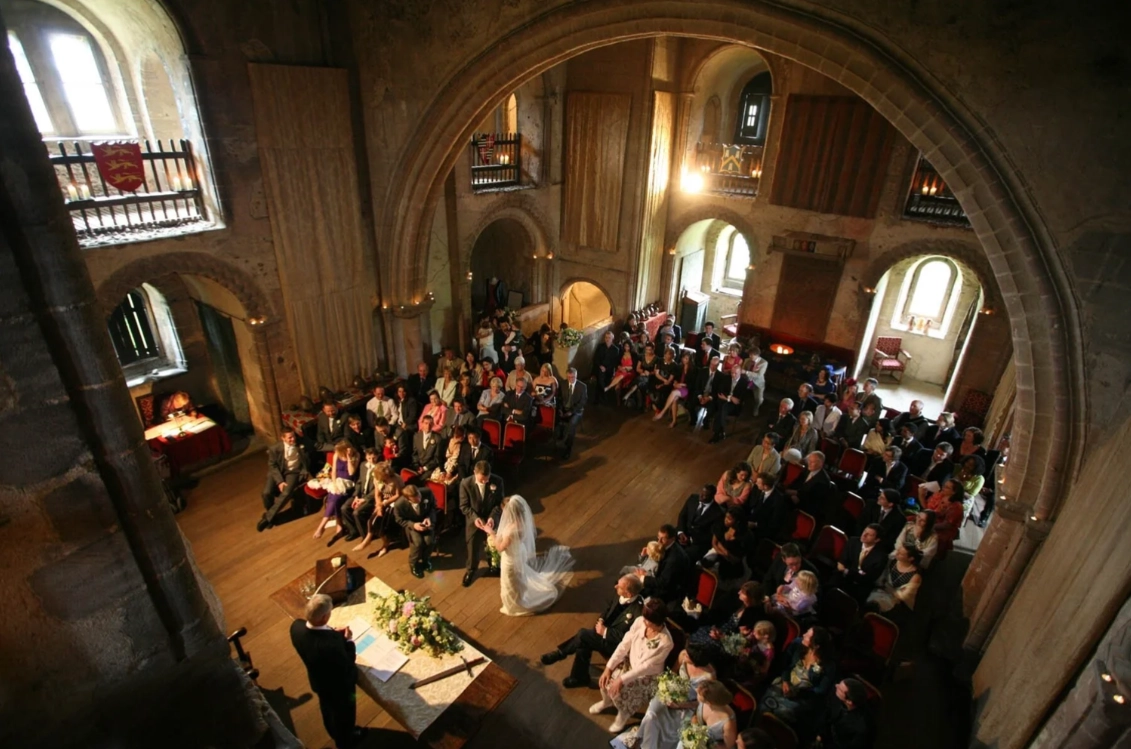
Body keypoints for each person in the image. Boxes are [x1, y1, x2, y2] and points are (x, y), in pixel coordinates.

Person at [541, 574, 645, 688]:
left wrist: (605, 632)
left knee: (583, 635)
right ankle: (579, 678)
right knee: (584, 641)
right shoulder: (618, 594)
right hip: (601, 632)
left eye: (619, 586)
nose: (615, 587)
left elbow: (628, 639)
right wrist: (601, 619)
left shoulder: (638, 612)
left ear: (628, 594)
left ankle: (561, 654)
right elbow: (608, 609)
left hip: (615, 645)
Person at [591, 599, 675, 734]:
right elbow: (624, 645)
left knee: (624, 696)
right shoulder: (639, 622)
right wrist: (609, 667)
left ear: (657, 622)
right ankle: (606, 702)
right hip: (630, 662)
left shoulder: (666, 642)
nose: (644, 621)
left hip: (647, 676)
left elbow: (646, 666)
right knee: (605, 682)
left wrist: (621, 679)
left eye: (648, 620)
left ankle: (622, 717)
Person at [483, 495, 574, 616]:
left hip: (511, 560)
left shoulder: (511, 530)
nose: (504, 513)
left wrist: (491, 533)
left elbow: (500, 547)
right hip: (518, 553)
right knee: (518, 579)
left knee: (511, 582)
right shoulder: (521, 522)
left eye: (505, 510)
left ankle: (517, 605)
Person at [289, 594, 360, 749]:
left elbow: (317, 641)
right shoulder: (331, 646)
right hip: (340, 689)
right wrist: (348, 640)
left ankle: (334, 732)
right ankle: (346, 741)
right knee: (345, 715)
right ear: (324, 617)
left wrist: (333, 634)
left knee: (327, 709)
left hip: (319, 682)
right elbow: (348, 661)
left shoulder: (296, 627)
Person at [636, 644, 717, 749]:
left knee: (674, 730)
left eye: (689, 655)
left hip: (690, 706)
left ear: (696, 659)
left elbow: (704, 703)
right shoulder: (683, 654)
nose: (685, 655)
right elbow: (672, 673)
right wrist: (668, 690)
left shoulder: (710, 675)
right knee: (652, 714)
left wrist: (681, 705)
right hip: (671, 695)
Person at [759, 627, 836, 728]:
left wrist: (798, 692)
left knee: (784, 712)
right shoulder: (797, 644)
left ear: (816, 646)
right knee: (765, 701)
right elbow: (784, 664)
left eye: (807, 636)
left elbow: (821, 690)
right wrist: (785, 681)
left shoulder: (828, 665)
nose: (803, 635)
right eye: (806, 632)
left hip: (805, 696)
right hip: (786, 682)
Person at [459, 461, 505, 587]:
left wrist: (492, 517)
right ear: (475, 472)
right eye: (481, 480)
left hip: (491, 519)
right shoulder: (465, 483)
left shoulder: (498, 481)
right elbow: (464, 506)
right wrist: (475, 518)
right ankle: (471, 570)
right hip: (474, 521)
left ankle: (494, 565)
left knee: (492, 544)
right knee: (472, 546)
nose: (485, 482)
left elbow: (499, 504)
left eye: (487, 479)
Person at [258, 427, 312, 531]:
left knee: (286, 493)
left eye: (294, 436)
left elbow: (317, 446)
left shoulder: (301, 443)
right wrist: (280, 481)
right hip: (277, 472)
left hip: (293, 472)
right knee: (266, 493)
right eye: (290, 438)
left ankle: (268, 518)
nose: (293, 439)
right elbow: (272, 465)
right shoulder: (274, 448)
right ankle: (272, 515)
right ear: (283, 438)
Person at [350, 461, 403, 555]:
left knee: (379, 522)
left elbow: (398, 495)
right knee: (371, 521)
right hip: (383, 501)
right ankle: (368, 541)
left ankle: (383, 545)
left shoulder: (395, 478)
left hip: (395, 502)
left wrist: (385, 503)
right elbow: (377, 494)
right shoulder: (377, 479)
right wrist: (379, 505)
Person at [311, 442, 360, 540]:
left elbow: (351, 472)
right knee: (334, 497)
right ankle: (335, 525)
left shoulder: (356, 455)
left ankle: (324, 526)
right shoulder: (336, 455)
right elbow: (333, 472)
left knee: (334, 498)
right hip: (337, 482)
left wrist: (348, 457)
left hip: (348, 484)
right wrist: (335, 485)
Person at [834, 524, 887, 605]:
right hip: (843, 577)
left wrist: (847, 571)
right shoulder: (853, 541)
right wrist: (854, 573)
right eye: (864, 531)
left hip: (861, 587)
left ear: (877, 540)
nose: (864, 535)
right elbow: (842, 563)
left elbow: (868, 578)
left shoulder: (881, 557)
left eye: (869, 535)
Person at [640, 524, 691, 604]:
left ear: (672, 539)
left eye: (663, 539)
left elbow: (663, 582)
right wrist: (643, 556)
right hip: (657, 577)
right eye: (658, 537)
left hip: (669, 591)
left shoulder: (674, 559)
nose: (659, 541)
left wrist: (643, 578)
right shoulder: (662, 544)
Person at [817, 679, 874, 749]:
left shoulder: (863, 727)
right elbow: (827, 713)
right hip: (828, 735)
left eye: (840, 689)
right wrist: (821, 735)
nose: (836, 686)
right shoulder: (836, 696)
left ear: (849, 701)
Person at [394, 484, 436, 578]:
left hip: (426, 522)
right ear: (408, 499)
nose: (419, 499)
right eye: (416, 499)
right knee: (418, 543)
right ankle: (413, 564)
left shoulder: (427, 492)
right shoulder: (399, 504)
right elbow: (399, 519)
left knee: (430, 541)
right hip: (412, 525)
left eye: (419, 496)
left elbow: (433, 507)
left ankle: (426, 559)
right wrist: (413, 525)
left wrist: (428, 517)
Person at [679, 680, 738, 748]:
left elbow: (729, 746)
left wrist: (702, 745)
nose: (696, 691)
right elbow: (696, 714)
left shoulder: (729, 723)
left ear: (709, 702)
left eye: (698, 693)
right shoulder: (705, 700)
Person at [340, 448, 380, 542]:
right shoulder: (363, 465)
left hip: (371, 497)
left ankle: (366, 535)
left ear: (377, 456)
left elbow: (378, 489)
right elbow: (359, 482)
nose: (371, 460)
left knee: (357, 512)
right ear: (366, 457)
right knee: (344, 508)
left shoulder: (379, 468)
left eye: (374, 458)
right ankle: (353, 530)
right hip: (361, 495)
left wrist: (364, 499)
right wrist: (356, 496)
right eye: (369, 458)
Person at [867, 545, 922, 614]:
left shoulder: (915, 576)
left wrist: (891, 590)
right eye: (898, 551)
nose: (897, 553)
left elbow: (905, 596)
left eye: (901, 554)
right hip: (880, 590)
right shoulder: (891, 561)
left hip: (897, 601)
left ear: (910, 558)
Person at [676, 484, 725, 561]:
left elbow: (711, 535)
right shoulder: (693, 498)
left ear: (712, 497)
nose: (701, 496)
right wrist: (681, 532)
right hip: (684, 532)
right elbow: (683, 515)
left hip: (699, 542)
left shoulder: (718, 513)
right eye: (701, 493)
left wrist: (691, 539)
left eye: (705, 495)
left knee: (684, 557)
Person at [707, 363, 748, 444]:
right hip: (722, 402)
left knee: (721, 410)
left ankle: (717, 433)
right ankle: (720, 431)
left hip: (734, 407)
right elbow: (720, 392)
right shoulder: (726, 378)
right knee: (721, 407)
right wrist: (731, 398)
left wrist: (727, 398)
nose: (733, 375)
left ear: (740, 372)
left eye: (736, 373)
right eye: (732, 372)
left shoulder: (744, 383)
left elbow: (739, 400)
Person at [654, 350, 695, 426]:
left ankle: (662, 413)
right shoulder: (679, 367)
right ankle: (674, 421)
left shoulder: (693, 369)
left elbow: (692, 383)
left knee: (673, 393)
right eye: (683, 358)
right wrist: (675, 383)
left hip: (687, 389)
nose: (684, 360)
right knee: (674, 399)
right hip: (678, 388)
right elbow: (675, 378)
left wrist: (681, 384)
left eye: (686, 358)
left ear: (690, 360)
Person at [556, 367, 587, 459]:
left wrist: (571, 412)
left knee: (572, 425)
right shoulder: (563, 384)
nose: (571, 379)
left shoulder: (582, 387)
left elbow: (582, 403)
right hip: (564, 409)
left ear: (576, 376)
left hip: (576, 411)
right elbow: (559, 399)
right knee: (555, 417)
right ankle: (560, 436)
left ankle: (568, 449)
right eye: (569, 377)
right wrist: (560, 409)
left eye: (573, 377)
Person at [748, 473, 789, 542]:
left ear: (765, 486)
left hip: (763, 528)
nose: (756, 483)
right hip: (751, 519)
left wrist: (755, 524)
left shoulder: (779, 500)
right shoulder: (757, 489)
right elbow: (751, 504)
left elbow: (774, 522)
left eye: (758, 483)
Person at [593, 330, 621, 403]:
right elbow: (596, 358)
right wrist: (600, 366)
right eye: (606, 337)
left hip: (609, 369)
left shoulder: (616, 350)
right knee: (600, 375)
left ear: (612, 339)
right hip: (599, 367)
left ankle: (600, 396)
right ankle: (603, 394)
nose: (607, 339)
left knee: (602, 377)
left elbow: (615, 362)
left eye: (609, 338)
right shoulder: (600, 346)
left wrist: (606, 368)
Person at [742, 346, 767, 417]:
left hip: (758, 383)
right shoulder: (747, 360)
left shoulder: (764, 363)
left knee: (759, 399)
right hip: (748, 381)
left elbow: (759, 375)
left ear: (757, 355)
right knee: (741, 392)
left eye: (752, 355)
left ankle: (756, 407)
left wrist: (746, 372)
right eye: (749, 354)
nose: (750, 356)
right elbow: (742, 371)